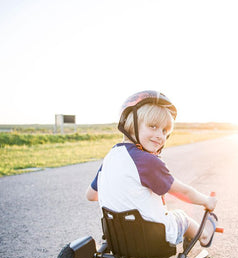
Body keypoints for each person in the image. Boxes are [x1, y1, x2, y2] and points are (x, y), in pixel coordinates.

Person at [85, 90, 218, 247]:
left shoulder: (111, 157)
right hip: (152, 237)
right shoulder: (147, 161)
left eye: (164, 131)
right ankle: (205, 235)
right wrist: (207, 201)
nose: (160, 136)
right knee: (182, 217)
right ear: (131, 124)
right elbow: (183, 192)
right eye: (153, 126)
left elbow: (91, 195)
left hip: (117, 236)